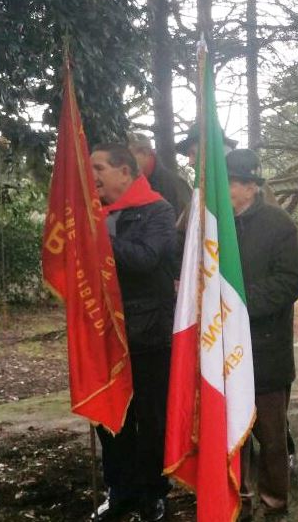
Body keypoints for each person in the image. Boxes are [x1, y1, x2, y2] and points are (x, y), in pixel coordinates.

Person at [89, 143, 177, 522]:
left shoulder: (158, 209)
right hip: (101, 334)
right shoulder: (90, 214)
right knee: (109, 417)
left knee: (150, 417)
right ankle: (119, 489)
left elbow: (145, 259)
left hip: (147, 334)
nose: (92, 175)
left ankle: (153, 492)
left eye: (99, 168)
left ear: (125, 172)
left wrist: (96, 236)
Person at [225, 149, 298, 519]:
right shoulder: (214, 224)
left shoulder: (279, 224)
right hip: (222, 350)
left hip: (265, 351)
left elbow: (290, 282)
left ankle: (274, 502)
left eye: (228, 183)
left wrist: (238, 303)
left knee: (271, 436)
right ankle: (235, 498)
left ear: (250, 187)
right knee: (230, 435)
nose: (221, 190)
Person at [127, 133, 192, 217]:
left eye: (129, 157)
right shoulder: (130, 184)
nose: (126, 163)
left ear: (145, 152)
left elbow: (186, 224)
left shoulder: (173, 185)